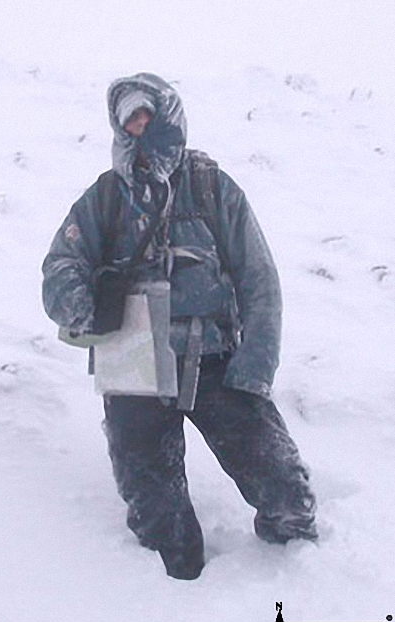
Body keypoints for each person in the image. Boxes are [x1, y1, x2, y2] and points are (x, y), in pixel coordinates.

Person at [42, 72, 317, 580]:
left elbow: (260, 279)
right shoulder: (104, 197)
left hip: (215, 359)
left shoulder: (211, 185)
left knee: (287, 493)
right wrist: (86, 307)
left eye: (148, 114)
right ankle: (173, 603)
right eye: (130, 120)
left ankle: (302, 578)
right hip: (133, 366)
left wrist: (255, 367)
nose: (140, 126)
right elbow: (60, 265)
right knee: (158, 526)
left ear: (168, 115)